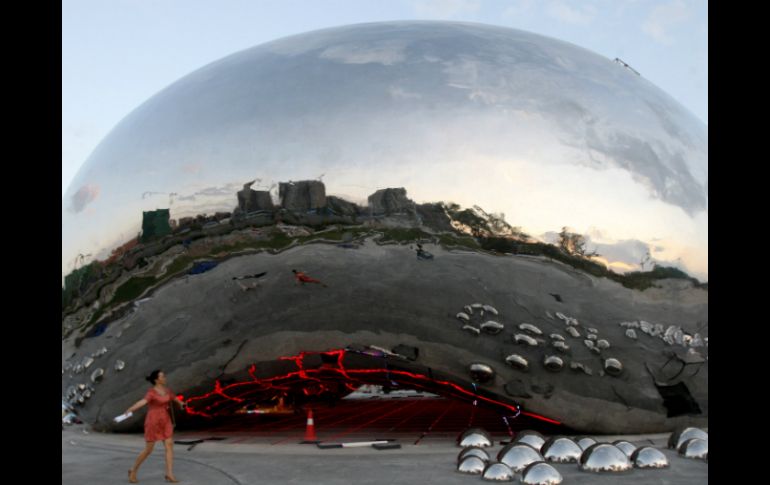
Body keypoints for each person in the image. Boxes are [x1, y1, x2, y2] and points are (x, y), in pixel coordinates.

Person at [125, 370, 186, 483]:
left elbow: (174, 399)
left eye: (164, 376)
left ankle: (169, 473)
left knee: (169, 445)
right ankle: (133, 470)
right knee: (149, 449)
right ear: (157, 380)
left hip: (165, 420)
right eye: (162, 376)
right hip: (153, 420)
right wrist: (131, 409)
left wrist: (181, 404)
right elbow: (143, 401)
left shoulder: (167, 391)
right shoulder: (151, 392)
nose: (165, 378)